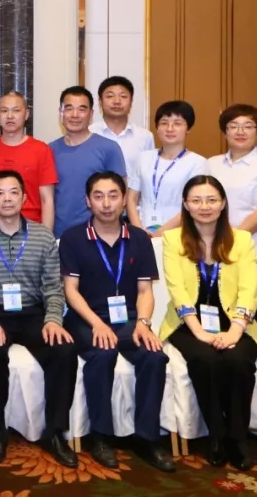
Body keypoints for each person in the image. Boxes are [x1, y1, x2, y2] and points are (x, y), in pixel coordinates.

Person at [60, 171, 174, 472]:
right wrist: (96, 324)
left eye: (113, 196)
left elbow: (145, 291)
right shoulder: (73, 238)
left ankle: (147, 438)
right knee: (103, 352)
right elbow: (70, 291)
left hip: (129, 320)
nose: (106, 203)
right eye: (98, 196)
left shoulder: (138, 238)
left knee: (154, 356)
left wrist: (144, 323)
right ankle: (100, 436)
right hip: (86, 319)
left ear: (124, 199)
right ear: (88, 201)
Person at [0, 170, 77, 467]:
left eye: (13, 192)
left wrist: (53, 319)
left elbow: (52, 287)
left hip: (32, 312)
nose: (7, 199)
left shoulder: (42, 236)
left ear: (24, 198)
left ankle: (55, 432)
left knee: (64, 350)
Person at [160, 175, 257, 471]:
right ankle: (216, 434)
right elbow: (177, 290)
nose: (204, 206)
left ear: (223, 203)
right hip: (188, 323)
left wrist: (234, 330)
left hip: (235, 321)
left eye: (211, 200)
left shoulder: (242, 240)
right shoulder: (172, 240)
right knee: (205, 360)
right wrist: (199, 332)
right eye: (196, 200)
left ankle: (238, 438)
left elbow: (249, 289)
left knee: (238, 361)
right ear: (185, 204)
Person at [207, 104, 257, 357]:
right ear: (224, 131)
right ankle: (226, 365)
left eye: (248, 126)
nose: (240, 131)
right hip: (214, 253)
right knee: (219, 312)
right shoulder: (211, 164)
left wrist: (231, 239)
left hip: (254, 253)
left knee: (253, 314)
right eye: (234, 126)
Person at [49, 86, 126, 237]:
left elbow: (121, 193)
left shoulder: (109, 148)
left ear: (91, 114)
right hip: (59, 234)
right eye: (69, 108)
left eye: (82, 109)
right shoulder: (49, 150)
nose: (75, 115)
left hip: (98, 235)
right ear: (61, 113)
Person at [0, 90, 58, 230]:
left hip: (31, 229)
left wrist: (46, 237)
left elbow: (47, 200)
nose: (10, 116)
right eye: (4, 111)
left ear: (26, 114)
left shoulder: (41, 150)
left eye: (16, 110)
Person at [127, 100, 208, 236]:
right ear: (157, 127)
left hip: (178, 233)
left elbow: (195, 204)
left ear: (188, 128)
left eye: (177, 123)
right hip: (141, 230)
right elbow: (131, 199)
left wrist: (159, 233)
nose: (170, 129)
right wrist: (139, 231)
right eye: (164, 123)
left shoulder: (198, 163)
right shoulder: (143, 158)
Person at [90, 76, 156, 171]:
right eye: (110, 96)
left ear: (131, 102)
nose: (117, 101)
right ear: (100, 102)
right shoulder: (90, 134)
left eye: (123, 96)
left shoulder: (145, 137)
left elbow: (149, 172)